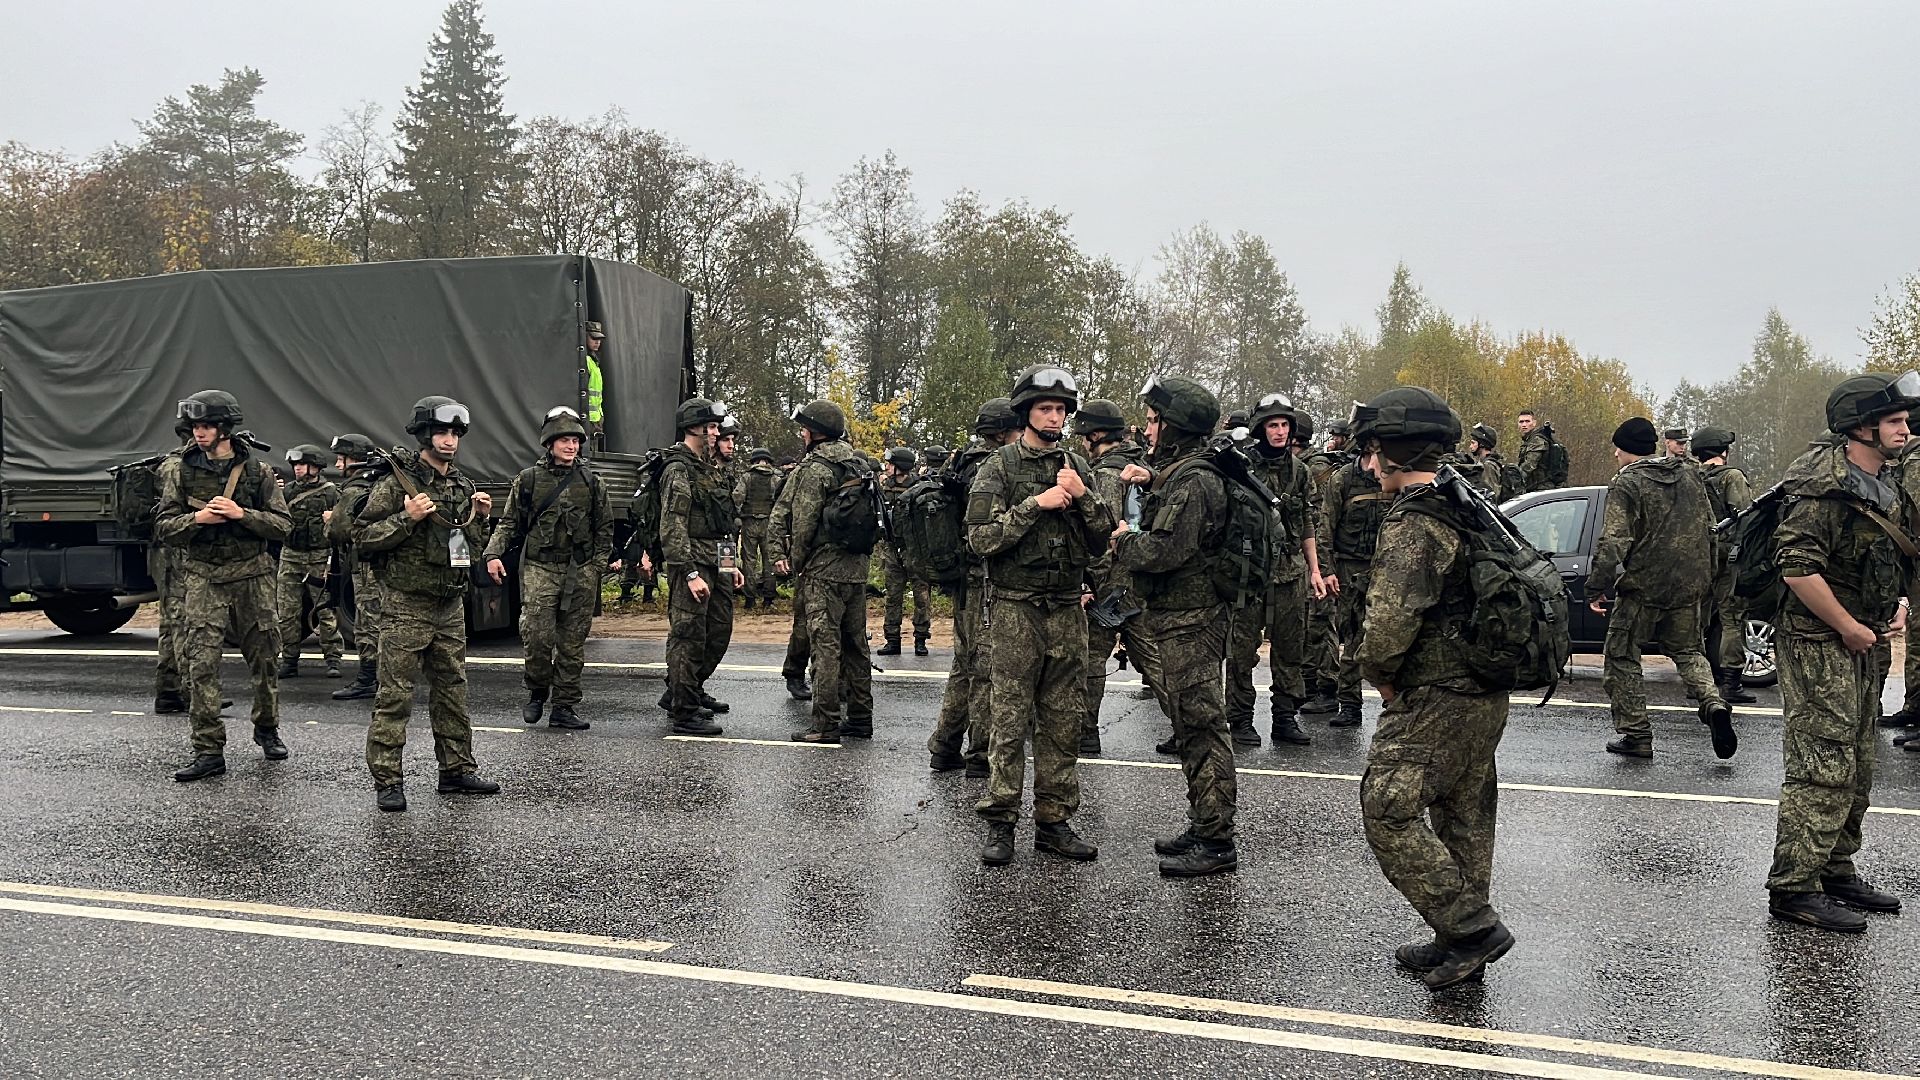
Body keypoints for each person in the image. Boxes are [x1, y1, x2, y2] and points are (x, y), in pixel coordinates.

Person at [1352, 385, 1516, 990]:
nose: (1368, 464)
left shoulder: (1415, 523)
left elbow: (1390, 624)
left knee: (1387, 809)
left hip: (1436, 692)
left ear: (1394, 453)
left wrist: (1380, 677)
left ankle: (1471, 927)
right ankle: (1458, 941)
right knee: (1464, 810)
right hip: (1483, 688)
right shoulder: (1470, 505)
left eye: (1373, 451)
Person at [1766, 372, 1918, 933]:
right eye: (1895, 421)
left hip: (1866, 638)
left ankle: (1835, 867)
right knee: (1821, 765)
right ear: (1861, 426)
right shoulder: (1820, 483)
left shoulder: (1885, 480)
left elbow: (1891, 553)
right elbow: (1797, 568)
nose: (1905, 429)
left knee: (1859, 761)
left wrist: (1894, 604)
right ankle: (1794, 887)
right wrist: (1849, 626)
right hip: (1818, 640)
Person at [970, 366, 1112, 866]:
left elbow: (1103, 538)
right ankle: (1001, 820)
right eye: (1044, 409)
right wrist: (1036, 503)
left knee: (1062, 718)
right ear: (1026, 412)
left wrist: (1082, 498)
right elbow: (981, 539)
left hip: (1067, 607)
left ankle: (1054, 819)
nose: (1054, 417)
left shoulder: (1077, 465)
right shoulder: (1000, 467)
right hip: (1016, 608)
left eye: (1060, 410)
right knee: (1008, 715)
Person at [1111, 375, 1242, 877]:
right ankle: (1204, 822)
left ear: (1175, 425)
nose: (1147, 427)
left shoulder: (1195, 482)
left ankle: (1216, 841)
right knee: (1190, 725)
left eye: (1152, 419)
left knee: (1202, 727)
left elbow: (1164, 551)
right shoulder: (1185, 474)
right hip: (1183, 619)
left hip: (1194, 621)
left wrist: (1123, 539)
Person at [352, 396, 500, 811]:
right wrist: (407, 517)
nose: (450, 440)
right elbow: (361, 539)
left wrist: (481, 518)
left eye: (455, 433)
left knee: (453, 689)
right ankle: (388, 779)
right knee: (395, 693)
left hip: (449, 605)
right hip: (405, 603)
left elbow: (465, 546)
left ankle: (456, 770)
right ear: (423, 435)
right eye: (442, 432)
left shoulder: (462, 485)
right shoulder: (396, 484)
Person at [154, 391, 293, 781]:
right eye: (195, 426)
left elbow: (283, 526)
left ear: (225, 428)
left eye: (208, 426)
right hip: (202, 578)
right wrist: (197, 519)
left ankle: (267, 728)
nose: (200, 433)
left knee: (265, 658)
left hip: (253, 576)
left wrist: (241, 514)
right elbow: (164, 527)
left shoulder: (257, 472)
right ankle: (208, 749)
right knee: (200, 663)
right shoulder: (180, 472)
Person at [1588, 417, 1735, 760]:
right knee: (1688, 652)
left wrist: (1596, 586)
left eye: (1618, 448)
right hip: (1689, 585)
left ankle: (1636, 734)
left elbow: (1613, 541)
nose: (1614, 454)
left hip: (1644, 587)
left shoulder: (1627, 483)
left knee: (1622, 656)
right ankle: (1713, 703)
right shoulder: (1689, 474)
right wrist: (1709, 578)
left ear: (1626, 451)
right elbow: (1709, 528)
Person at [484, 406, 614, 731]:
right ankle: (537, 689)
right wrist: (492, 554)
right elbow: (509, 523)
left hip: (580, 571)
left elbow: (605, 528)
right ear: (549, 443)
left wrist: (595, 568)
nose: (571, 446)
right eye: (564, 440)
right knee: (537, 638)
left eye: (575, 440)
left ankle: (565, 707)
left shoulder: (592, 482)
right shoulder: (528, 481)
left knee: (572, 644)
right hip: (540, 569)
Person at [1226, 392, 1326, 749]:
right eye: (1273, 425)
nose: (1280, 432)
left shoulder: (1299, 471)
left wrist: (1314, 570)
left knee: (1289, 648)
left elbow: (1306, 521)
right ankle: (1239, 719)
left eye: (1285, 425)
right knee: (1241, 649)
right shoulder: (1242, 466)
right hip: (1249, 572)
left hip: (1289, 571)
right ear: (1260, 428)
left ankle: (1284, 718)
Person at [927, 399, 1021, 773]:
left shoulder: (961, 461)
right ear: (1002, 432)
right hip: (983, 578)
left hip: (964, 579)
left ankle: (945, 745)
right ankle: (979, 753)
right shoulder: (992, 467)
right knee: (985, 668)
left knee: (964, 663)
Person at [776, 401, 876, 743]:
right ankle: (861, 718)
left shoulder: (814, 469)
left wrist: (799, 565)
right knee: (856, 646)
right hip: (857, 569)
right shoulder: (859, 463)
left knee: (825, 648)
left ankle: (825, 724)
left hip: (824, 571)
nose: (802, 434)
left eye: (805, 429)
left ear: (816, 432)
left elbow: (802, 524)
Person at [1076, 397, 1165, 757]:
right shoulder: (1144, 465)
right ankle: (1194, 726)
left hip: (1113, 581)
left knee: (1092, 657)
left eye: (1084, 434)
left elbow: (1103, 535)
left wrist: (1090, 584)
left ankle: (1085, 733)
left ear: (1095, 435)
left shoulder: (1105, 475)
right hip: (1144, 576)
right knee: (1156, 657)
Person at [657, 398, 738, 736]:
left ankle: (683, 689)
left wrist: (730, 564)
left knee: (719, 631)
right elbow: (672, 526)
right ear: (695, 428)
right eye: (713, 427)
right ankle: (684, 711)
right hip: (690, 562)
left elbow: (722, 524)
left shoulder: (710, 469)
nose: (717, 433)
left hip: (716, 562)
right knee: (688, 636)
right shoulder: (679, 469)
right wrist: (688, 572)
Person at [1323, 445, 1389, 728]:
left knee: (1389, 635)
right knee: (1352, 638)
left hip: (1386, 568)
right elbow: (1325, 526)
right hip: (1351, 569)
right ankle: (1350, 704)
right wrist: (1326, 570)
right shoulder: (1344, 478)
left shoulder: (1392, 474)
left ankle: (1395, 701)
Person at [1693, 426, 1756, 705]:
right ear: (1723, 451)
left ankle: (1698, 681)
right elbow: (1745, 515)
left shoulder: (1690, 477)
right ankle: (1730, 684)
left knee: (1699, 617)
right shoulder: (1732, 476)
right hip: (1728, 555)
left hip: (1698, 555)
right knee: (1732, 619)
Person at [275, 444, 346, 680]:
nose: (297, 469)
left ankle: (333, 659)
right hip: (291, 556)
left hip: (319, 558)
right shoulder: (287, 493)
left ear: (315, 467)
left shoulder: (330, 492)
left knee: (324, 611)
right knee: (287, 612)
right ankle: (289, 660)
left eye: (302, 464)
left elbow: (342, 524)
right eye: (294, 465)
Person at [327, 434, 384, 701]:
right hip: (384, 563)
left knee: (367, 621)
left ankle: (368, 678)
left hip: (365, 565)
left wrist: (329, 520)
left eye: (341, 459)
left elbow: (338, 531)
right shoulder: (380, 482)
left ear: (354, 460)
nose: (338, 465)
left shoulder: (354, 489)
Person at [150, 420, 195, 714]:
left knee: (170, 621)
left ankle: (168, 691)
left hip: (168, 552)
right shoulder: (176, 467)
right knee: (182, 620)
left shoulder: (171, 463)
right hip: (173, 552)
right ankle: (192, 693)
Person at [878, 446, 932, 656]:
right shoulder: (884, 489)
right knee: (892, 596)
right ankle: (892, 640)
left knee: (922, 596)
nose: (887, 467)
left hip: (915, 551)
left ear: (900, 466)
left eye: (891, 463)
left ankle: (921, 639)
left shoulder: (920, 488)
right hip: (892, 549)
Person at [738, 448, 781, 609]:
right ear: (768, 461)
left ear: (754, 461)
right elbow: (780, 502)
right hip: (769, 523)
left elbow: (737, 497)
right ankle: (768, 599)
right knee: (769, 561)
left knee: (749, 561)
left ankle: (750, 599)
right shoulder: (775, 479)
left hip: (749, 522)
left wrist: (737, 516)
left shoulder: (747, 477)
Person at [583, 320, 606, 448]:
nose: (597, 342)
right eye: (593, 338)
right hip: (587, 420)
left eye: (599, 339)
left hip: (595, 421)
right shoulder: (585, 361)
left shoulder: (593, 361)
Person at [1517, 410, 1552, 493]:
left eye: (1527, 421)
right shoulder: (1529, 441)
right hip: (1536, 490)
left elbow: (1528, 466)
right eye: (1521, 422)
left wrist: (1513, 480)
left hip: (1543, 490)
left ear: (1534, 423)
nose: (1524, 425)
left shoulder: (1537, 440)